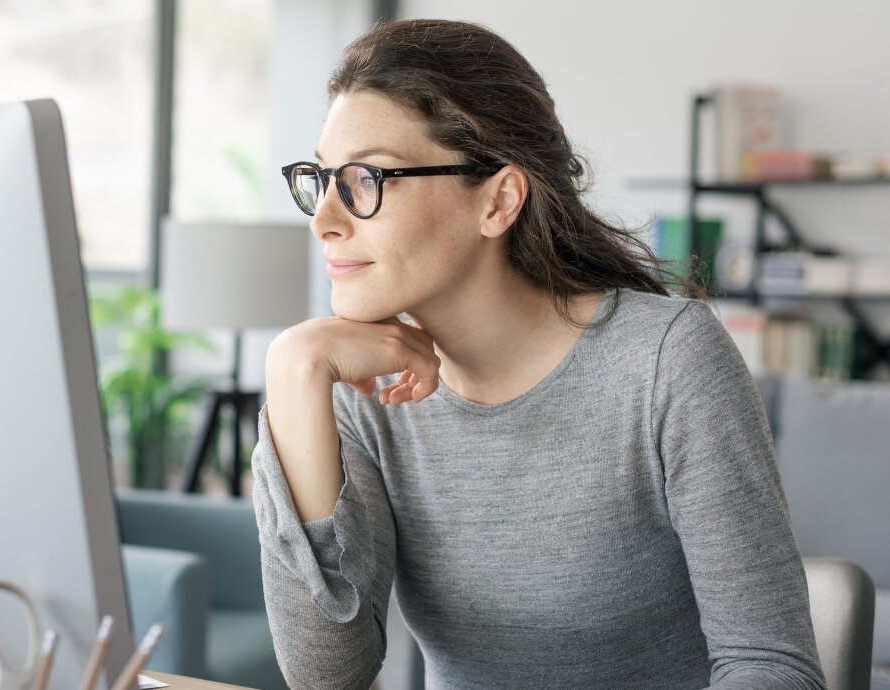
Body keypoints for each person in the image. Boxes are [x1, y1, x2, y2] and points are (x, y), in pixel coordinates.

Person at [251, 18, 825, 690]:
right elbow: (327, 676)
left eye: (365, 178)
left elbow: (770, 667)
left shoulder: (667, 362)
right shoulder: (363, 390)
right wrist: (293, 371)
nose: (324, 216)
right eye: (319, 179)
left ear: (498, 200)